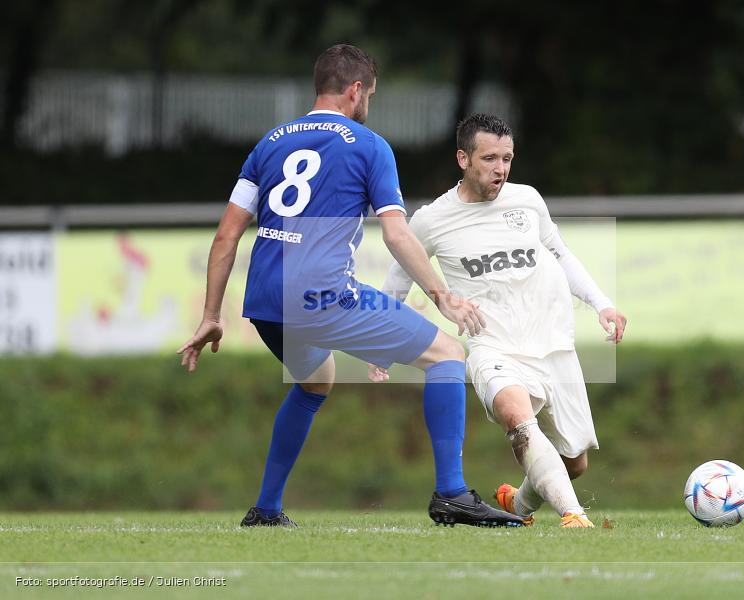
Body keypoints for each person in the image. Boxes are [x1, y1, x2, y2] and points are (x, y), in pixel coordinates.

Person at [177, 46, 523, 528]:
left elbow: (227, 234)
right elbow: (397, 232)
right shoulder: (368, 145)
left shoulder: (270, 142)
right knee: (447, 354)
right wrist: (443, 295)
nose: (369, 105)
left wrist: (212, 315)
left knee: (316, 380)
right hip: (319, 293)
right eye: (371, 95)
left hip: (263, 300)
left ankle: (266, 511)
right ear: (356, 90)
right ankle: (452, 494)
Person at [374, 113, 627, 528]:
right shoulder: (431, 220)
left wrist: (602, 303)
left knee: (574, 463)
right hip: (492, 345)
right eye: (490, 158)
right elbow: (398, 279)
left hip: (552, 343)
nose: (501, 169)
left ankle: (519, 503)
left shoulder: (527, 200)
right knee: (515, 415)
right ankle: (573, 515)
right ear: (463, 158)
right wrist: (380, 344)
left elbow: (560, 253)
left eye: (507, 158)